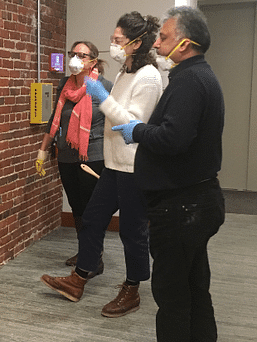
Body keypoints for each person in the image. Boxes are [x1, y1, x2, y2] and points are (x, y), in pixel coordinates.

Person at [112, 7, 225, 341]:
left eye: (163, 37)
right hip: (193, 202)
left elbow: (173, 139)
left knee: (173, 296)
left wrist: (138, 130)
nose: (157, 42)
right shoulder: (196, 76)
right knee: (194, 289)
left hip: (182, 207)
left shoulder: (190, 81)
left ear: (185, 44)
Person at [41, 11, 162, 318]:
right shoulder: (125, 72)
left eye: (118, 40)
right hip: (113, 165)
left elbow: (132, 125)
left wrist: (101, 97)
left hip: (134, 167)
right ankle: (79, 279)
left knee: (132, 232)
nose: (113, 44)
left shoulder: (149, 77)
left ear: (136, 43)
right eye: (112, 39)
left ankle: (132, 288)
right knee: (93, 219)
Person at [36, 41, 113, 266]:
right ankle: (85, 251)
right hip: (67, 156)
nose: (75, 59)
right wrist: (42, 150)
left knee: (91, 208)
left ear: (93, 61)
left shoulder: (104, 86)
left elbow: (112, 122)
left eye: (81, 55)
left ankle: (94, 256)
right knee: (77, 207)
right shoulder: (64, 85)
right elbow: (55, 119)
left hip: (93, 157)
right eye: (73, 54)